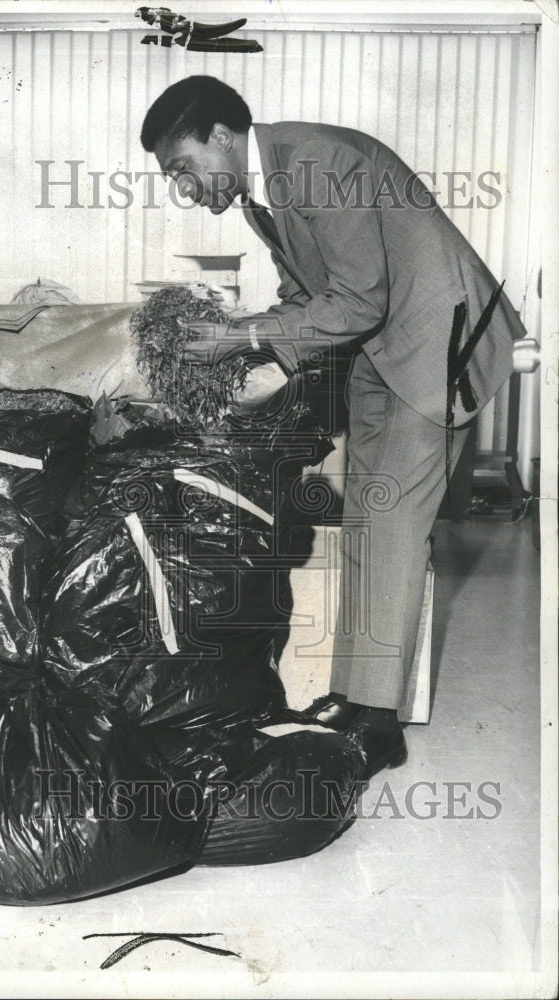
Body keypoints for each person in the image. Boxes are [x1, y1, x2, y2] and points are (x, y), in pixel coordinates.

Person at [139, 75, 527, 777]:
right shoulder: (263, 193)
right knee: (362, 521)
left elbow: (355, 299)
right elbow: (305, 295)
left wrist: (243, 337)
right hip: (382, 346)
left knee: (393, 526)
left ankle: (378, 723)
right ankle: (353, 697)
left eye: (182, 169)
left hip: (434, 344)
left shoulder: (317, 163)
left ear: (221, 138)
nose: (184, 191)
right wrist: (267, 359)